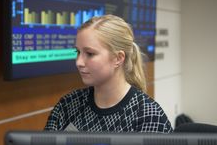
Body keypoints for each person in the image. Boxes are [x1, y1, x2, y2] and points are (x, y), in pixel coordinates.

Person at [44, 14, 173, 133]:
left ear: (118, 58)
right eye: (77, 52)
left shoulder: (149, 116)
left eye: (90, 54)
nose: (79, 62)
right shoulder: (68, 105)